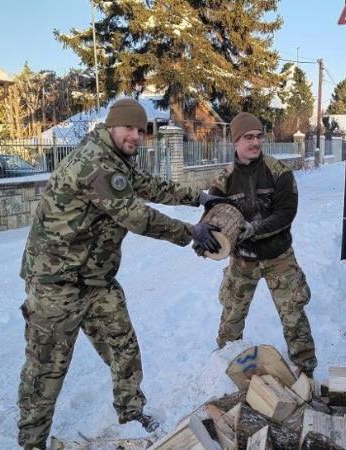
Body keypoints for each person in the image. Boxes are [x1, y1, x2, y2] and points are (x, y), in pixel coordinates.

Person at [17, 98, 222, 450]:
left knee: (123, 347)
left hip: (95, 281)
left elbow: (149, 185)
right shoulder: (95, 163)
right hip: (57, 284)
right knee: (46, 372)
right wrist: (190, 232)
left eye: (140, 130)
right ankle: (32, 442)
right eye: (128, 128)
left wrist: (199, 198)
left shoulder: (116, 161)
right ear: (111, 126)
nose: (135, 136)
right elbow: (136, 216)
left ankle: (131, 413)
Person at [206, 112, 317, 378]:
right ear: (236, 141)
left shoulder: (279, 173)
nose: (255, 142)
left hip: (279, 256)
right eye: (248, 137)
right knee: (231, 318)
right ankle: (227, 369)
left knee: (294, 316)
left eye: (258, 136)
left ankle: (305, 373)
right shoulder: (223, 181)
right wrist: (206, 242)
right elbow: (212, 220)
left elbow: (286, 213)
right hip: (242, 260)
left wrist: (254, 228)